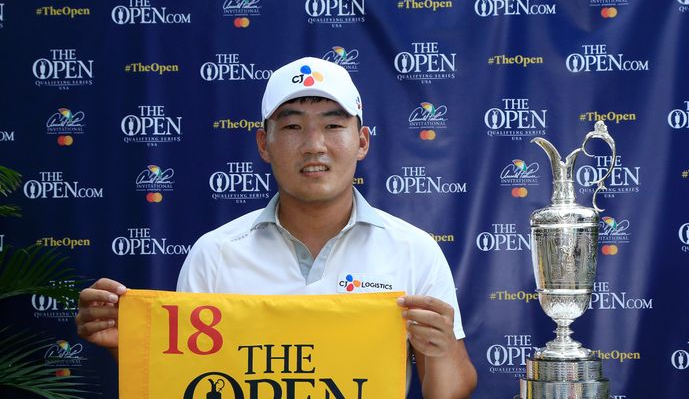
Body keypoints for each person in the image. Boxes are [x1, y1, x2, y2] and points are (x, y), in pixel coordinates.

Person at [76, 57, 477, 398]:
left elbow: (449, 390)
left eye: (334, 125)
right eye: (292, 127)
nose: (314, 144)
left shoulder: (413, 249)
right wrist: (127, 349)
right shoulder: (216, 253)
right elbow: (188, 384)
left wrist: (439, 350)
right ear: (263, 144)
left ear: (362, 141)